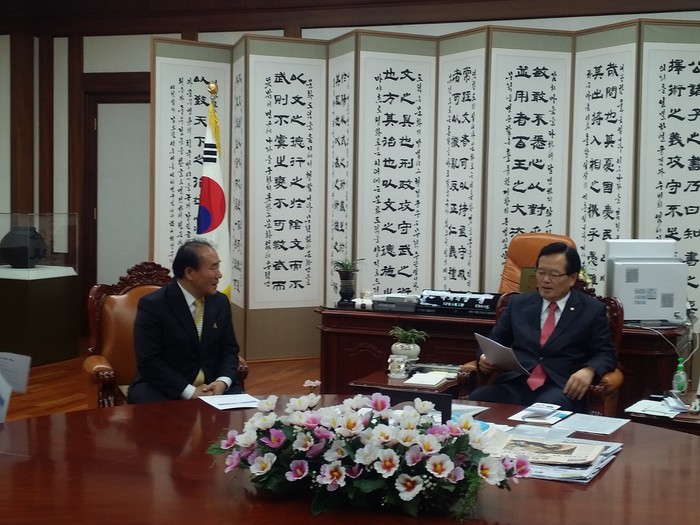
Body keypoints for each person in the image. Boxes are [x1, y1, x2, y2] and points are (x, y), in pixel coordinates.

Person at [468, 242, 616, 412]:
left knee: (541, 411)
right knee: (478, 400)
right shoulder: (518, 304)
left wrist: (589, 370)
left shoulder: (592, 310)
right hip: (517, 382)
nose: (545, 280)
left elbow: (605, 353)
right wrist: (484, 358)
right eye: (541, 272)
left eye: (554, 274)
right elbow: (493, 341)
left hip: (560, 387)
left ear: (572, 278)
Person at [128, 239, 242, 403]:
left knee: (245, 414)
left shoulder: (220, 302)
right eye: (213, 267)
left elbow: (229, 350)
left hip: (214, 387)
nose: (219, 274)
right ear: (190, 273)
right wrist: (190, 392)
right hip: (167, 388)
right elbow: (149, 361)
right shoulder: (154, 305)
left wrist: (222, 382)